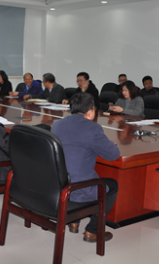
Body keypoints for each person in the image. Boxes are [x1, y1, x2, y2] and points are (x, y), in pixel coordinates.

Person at [51, 92, 120, 239]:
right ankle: (93, 230)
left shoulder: (57, 125)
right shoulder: (92, 128)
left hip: (58, 183)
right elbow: (113, 155)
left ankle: (74, 222)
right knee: (112, 186)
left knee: (75, 167)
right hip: (77, 186)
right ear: (90, 112)